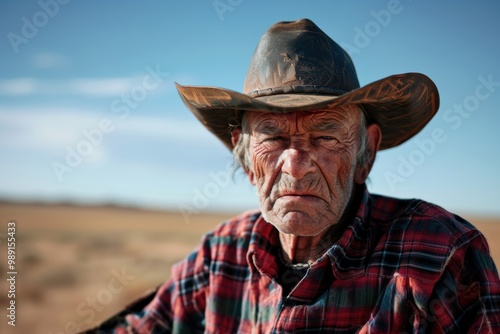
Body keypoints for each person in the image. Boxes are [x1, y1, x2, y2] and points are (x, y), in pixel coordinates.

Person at [84, 18, 500, 333]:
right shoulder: (220, 256)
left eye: (324, 136)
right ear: (246, 159)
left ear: (366, 153)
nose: (296, 164)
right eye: (273, 137)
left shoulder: (439, 253)